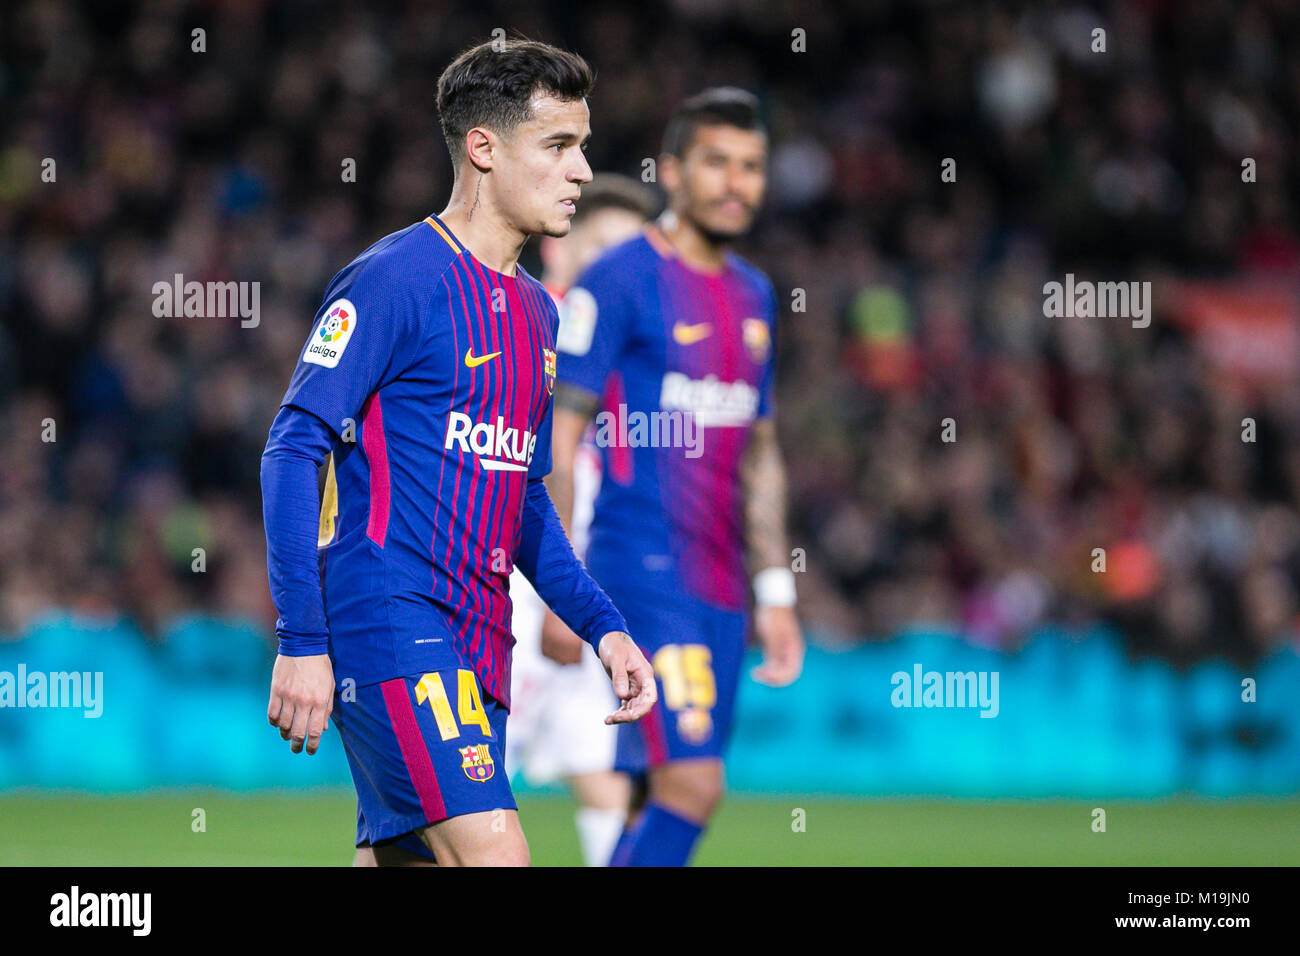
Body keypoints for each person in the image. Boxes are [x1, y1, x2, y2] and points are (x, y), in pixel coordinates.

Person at [260, 38, 656, 867]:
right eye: (559, 146)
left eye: (583, 146)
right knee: (497, 854)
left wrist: (602, 628)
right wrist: (301, 639)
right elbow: (294, 446)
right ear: (483, 147)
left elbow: (525, 498)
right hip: (390, 615)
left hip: (483, 638)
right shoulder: (394, 279)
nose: (583, 170)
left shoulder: (540, 316)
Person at [548, 87, 804, 867]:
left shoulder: (754, 295)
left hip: (721, 581)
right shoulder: (619, 280)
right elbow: (558, 439)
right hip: (639, 568)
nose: (736, 183)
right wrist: (563, 591)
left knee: (654, 799)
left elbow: (759, 452)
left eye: (752, 167)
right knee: (694, 782)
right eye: (717, 163)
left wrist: (776, 593)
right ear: (674, 170)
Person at [504, 174, 658, 867]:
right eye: (604, 248)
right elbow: (552, 462)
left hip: (583, 584)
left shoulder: (625, 343)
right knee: (467, 779)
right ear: (558, 246)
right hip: (519, 584)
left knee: (605, 775)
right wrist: (558, 602)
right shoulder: (542, 325)